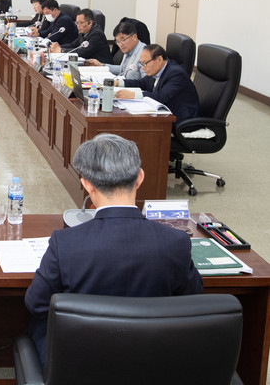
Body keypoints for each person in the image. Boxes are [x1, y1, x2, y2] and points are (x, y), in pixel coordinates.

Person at [25, 133, 203, 361]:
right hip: (154, 358)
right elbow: (192, 299)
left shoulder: (65, 243)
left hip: (80, 362)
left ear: (87, 184)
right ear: (139, 178)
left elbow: (36, 304)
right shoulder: (177, 242)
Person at [116, 44, 200, 121]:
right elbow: (142, 83)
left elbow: (162, 96)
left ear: (159, 60)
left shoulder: (176, 73)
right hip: (164, 114)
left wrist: (133, 95)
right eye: (141, 64)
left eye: (145, 63)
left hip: (180, 119)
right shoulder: (156, 70)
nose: (143, 68)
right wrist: (117, 82)